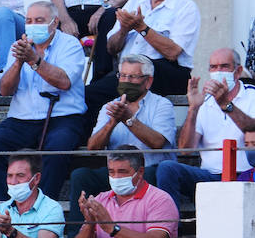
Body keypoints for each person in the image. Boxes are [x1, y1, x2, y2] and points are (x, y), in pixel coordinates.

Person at [0, 1, 87, 200]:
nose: (32, 25)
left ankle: (42, 208)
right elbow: (5, 90)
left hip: (62, 117)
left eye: (39, 20)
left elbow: (64, 82)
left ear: (54, 23)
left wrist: (35, 61)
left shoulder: (70, 45)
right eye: (28, 21)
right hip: (22, 119)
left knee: (56, 150)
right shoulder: (18, 47)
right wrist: (19, 62)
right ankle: (5, 208)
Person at [43, 147, 177, 238]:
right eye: (111, 172)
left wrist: (112, 228)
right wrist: (89, 223)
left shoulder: (159, 199)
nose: (116, 177)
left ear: (141, 172)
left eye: (123, 172)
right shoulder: (101, 199)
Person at [85, 0, 199, 119]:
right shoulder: (136, 1)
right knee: (88, 94)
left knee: (121, 85)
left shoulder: (186, 8)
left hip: (166, 72)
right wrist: (123, 29)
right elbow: (111, 47)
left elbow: (173, 52)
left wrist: (142, 28)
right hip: (128, 73)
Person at [156, 48, 255, 209]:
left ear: (237, 71)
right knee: (167, 168)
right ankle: (170, 229)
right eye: (213, 67)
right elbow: (185, 150)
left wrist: (226, 104)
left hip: (247, 175)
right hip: (210, 176)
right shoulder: (205, 102)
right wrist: (193, 109)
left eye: (224, 66)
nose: (218, 72)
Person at [69, 54, 176, 223]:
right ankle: (76, 236)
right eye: (123, 76)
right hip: (117, 173)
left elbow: (157, 143)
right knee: (81, 175)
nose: (126, 81)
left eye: (132, 77)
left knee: (149, 172)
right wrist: (112, 122)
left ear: (148, 81)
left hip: (148, 170)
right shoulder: (109, 107)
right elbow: (93, 147)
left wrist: (128, 119)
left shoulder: (162, 105)